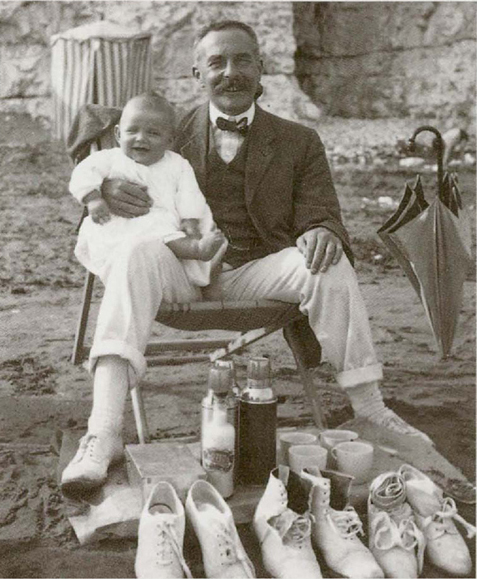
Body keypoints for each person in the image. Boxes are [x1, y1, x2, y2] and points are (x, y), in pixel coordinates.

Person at [61, 20, 431, 494]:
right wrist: (104, 191)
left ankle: (371, 407)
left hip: (256, 272)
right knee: (134, 252)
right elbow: (101, 175)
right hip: (179, 272)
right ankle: (104, 432)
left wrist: (322, 230)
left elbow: (323, 212)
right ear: (198, 73)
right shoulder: (163, 133)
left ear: (263, 68)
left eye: (242, 60)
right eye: (216, 62)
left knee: (327, 261)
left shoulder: (299, 141)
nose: (229, 72)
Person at [69, 92, 226, 285]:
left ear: (170, 140)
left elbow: (189, 192)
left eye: (153, 133)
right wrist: (93, 198)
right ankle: (194, 250)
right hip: (120, 226)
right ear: (118, 134)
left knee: (175, 234)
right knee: (154, 238)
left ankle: (197, 252)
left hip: (163, 222)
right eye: (132, 131)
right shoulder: (111, 158)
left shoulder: (177, 164)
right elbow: (84, 172)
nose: (140, 139)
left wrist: (190, 219)